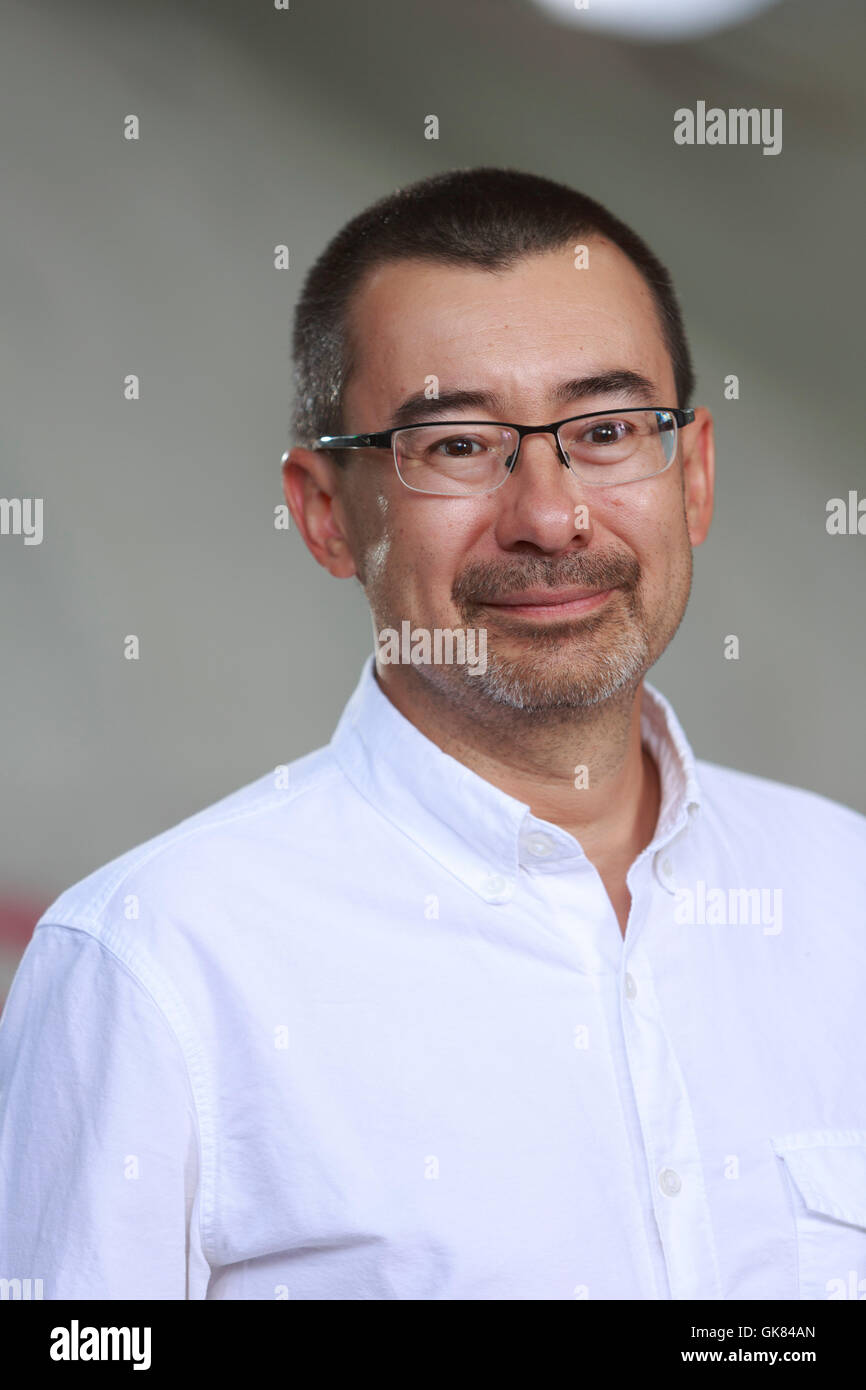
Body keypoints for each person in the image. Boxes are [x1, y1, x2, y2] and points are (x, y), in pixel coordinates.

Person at [1, 167, 864, 1302]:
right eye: (455, 446)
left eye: (605, 431)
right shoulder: (152, 966)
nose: (549, 516)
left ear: (691, 474)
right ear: (322, 511)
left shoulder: (843, 894)